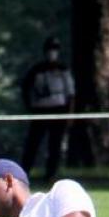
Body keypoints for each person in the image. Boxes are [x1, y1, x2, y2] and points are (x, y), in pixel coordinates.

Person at [19, 37, 75, 180]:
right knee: (33, 144)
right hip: (40, 111)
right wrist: (30, 107)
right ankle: (23, 174)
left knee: (55, 145)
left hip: (59, 111)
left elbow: (70, 94)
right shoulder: (37, 70)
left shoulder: (63, 70)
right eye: (50, 49)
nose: (52, 52)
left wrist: (69, 114)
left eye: (55, 49)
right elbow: (25, 88)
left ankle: (51, 174)